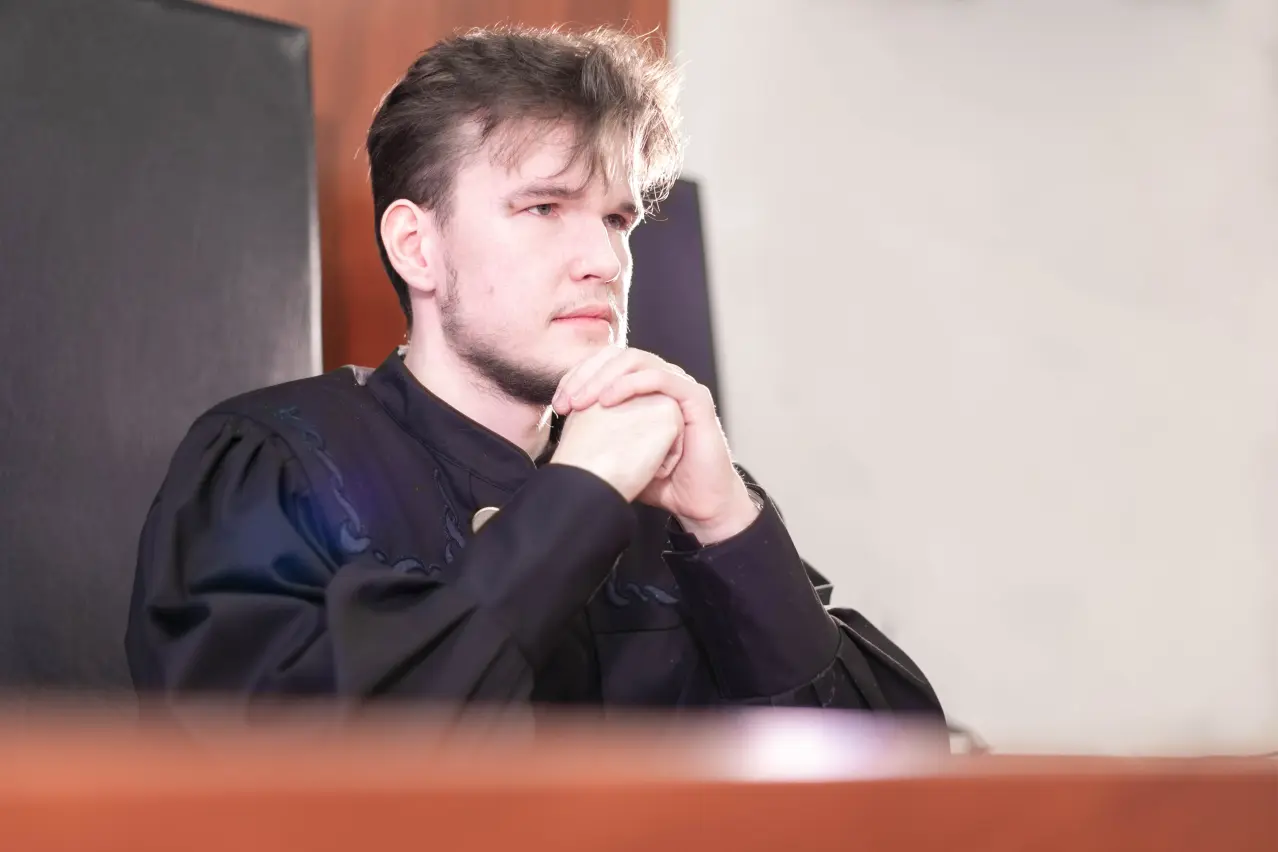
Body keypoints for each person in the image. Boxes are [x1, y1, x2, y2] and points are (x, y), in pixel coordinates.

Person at [125, 25, 944, 720]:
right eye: (544, 208)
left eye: (617, 218)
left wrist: (728, 520)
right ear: (417, 246)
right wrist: (574, 502)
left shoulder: (676, 497)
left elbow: (896, 788)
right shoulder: (275, 464)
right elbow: (290, 780)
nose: (605, 261)